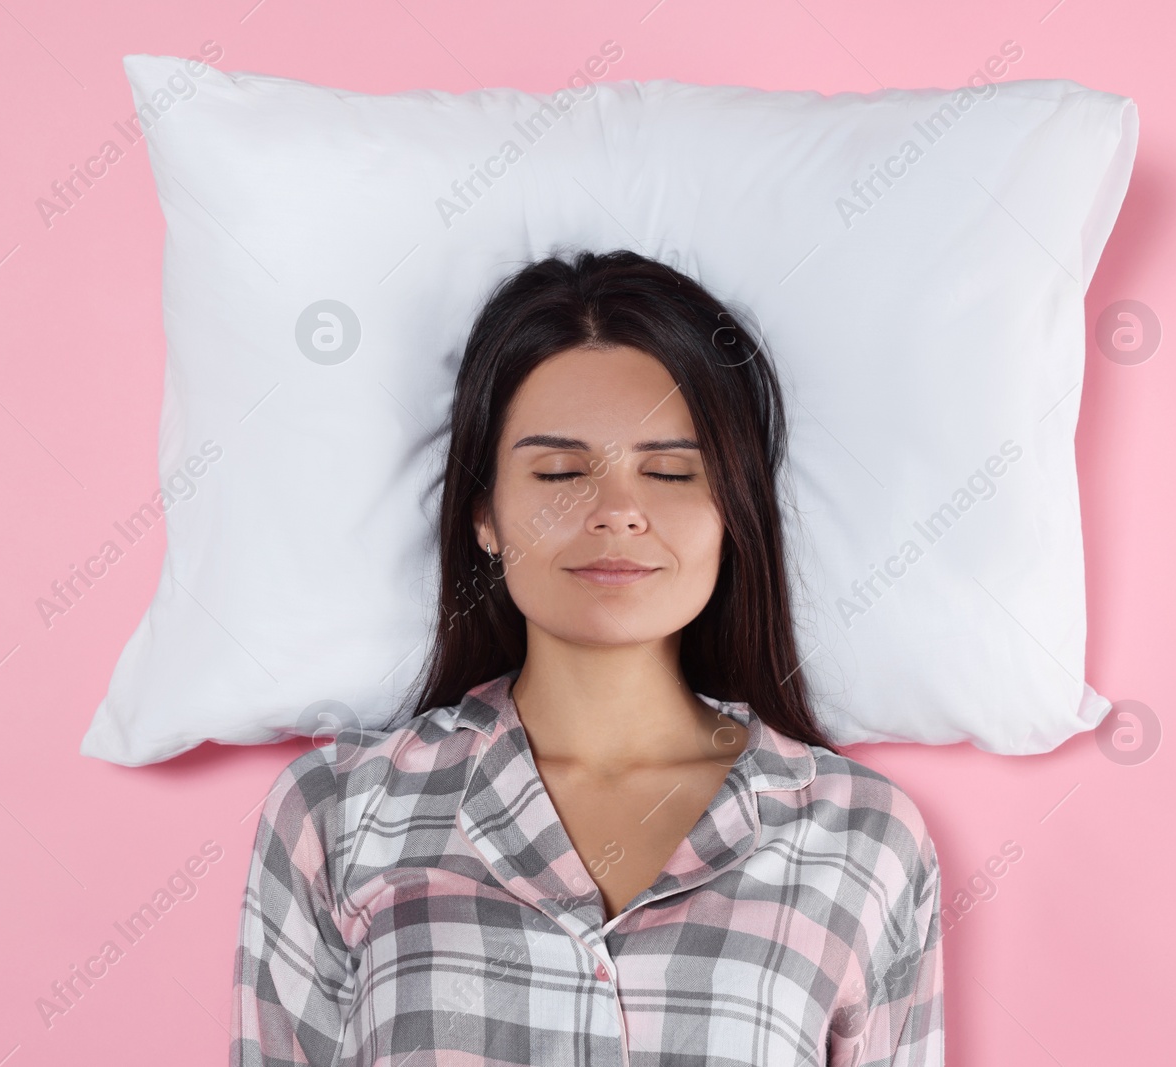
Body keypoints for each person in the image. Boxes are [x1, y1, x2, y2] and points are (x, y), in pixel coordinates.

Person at [231, 249, 943, 1066]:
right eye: (562, 471)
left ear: (732, 514)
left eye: (672, 471)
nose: (618, 512)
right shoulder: (341, 814)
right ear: (485, 517)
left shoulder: (861, 835)